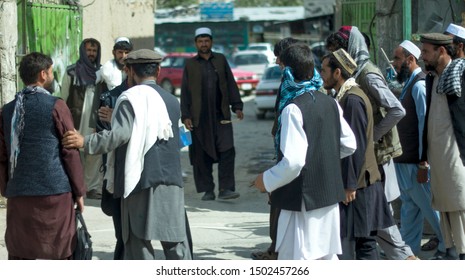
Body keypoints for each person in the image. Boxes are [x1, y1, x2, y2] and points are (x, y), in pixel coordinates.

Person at [62, 49, 192, 260]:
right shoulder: (171, 100)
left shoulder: (129, 98)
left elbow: (119, 135)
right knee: (176, 242)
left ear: (129, 72)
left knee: (138, 243)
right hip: (171, 181)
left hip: (139, 181)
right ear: (158, 70)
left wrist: (84, 141)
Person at [253, 44, 357, 260]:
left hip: (301, 201)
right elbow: (349, 144)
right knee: (326, 258)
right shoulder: (330, 103)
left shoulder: (293, 108)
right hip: (327, 198)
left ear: (288, 73)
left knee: (297, 258)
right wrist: (321, 159)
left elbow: (293, 162)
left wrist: (266, 180)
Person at [325, 26, 416, 260]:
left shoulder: (367, 74)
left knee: (373, 221)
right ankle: (404, 257)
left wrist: (372, 135)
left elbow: (397, 110)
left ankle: (405, 258)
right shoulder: (351, 79)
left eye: (337, 51)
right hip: (363, 157)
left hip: (373, 155)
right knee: (374, 219)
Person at [0, 52, 85, 259]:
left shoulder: (8, 110)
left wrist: (7, 188)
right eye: (51, 71)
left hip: (19, 197)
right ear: (43, 74)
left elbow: (2, 156)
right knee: (59, 252)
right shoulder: (57, 106)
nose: (52, 75)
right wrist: (79, 191)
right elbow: (69, 152)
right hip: (54, 196)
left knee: (21, 253)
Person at [321, 49, 394, 259]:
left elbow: (356, 147)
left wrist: (350, 184)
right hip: (361, 182)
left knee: (366, 244)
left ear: (337, 73)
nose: (322, 74)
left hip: (361, 185)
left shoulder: (352, 100)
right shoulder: (346, 96)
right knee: (362, 242)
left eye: (325, 70)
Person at [391, 40, 446, 257]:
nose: (394, 63)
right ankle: (407, 253)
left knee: (432, 212)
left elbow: (425, 125)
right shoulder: (408, 84)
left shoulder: (420, 86)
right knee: (409, 209)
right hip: (405, 161)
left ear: (410, 59)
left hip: (416, 163)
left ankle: (450, 248)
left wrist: (425, 161)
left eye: (397, 58)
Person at [250, 37, 301, 261]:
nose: (275, 60)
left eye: (278, 56)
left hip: (292, 153)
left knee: (279, 199)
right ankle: (276, 248)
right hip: (284, 147)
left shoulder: (296, 84)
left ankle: (277, 251)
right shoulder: (290, 80)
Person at [180, 27, 243, 201]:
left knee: (227, 151)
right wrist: (185, 116)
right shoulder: (190, 65)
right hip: (199, 119)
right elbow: (185, 92)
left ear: (211, 42)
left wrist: (237, 106)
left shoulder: (221, 60)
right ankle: (208, 190)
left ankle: (226, 189)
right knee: (201, 156)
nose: (204, 44)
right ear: (196, 44)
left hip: (221, 117)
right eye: (200, 41)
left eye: (206, 41)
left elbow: (230, 84)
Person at [420, 33, 465, 260]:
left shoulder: (460, 74)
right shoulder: (431, 78)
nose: (422, 56)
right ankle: (453, 252)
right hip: (438, 159)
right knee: (446, 208)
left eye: (426, 51)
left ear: (442, 51)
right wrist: (423, 156)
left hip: (456, 155)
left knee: (460, 203)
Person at [66, 38, 104, 199]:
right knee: (74, 152)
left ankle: (92, 187)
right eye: (89, 50)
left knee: (94, 153)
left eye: (94, 51)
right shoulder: (72, 71)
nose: (91, 54)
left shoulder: (102, 72)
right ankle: (75, 186)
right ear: (83, 51)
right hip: (76, 117)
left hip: (94, 119)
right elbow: (63, 96)